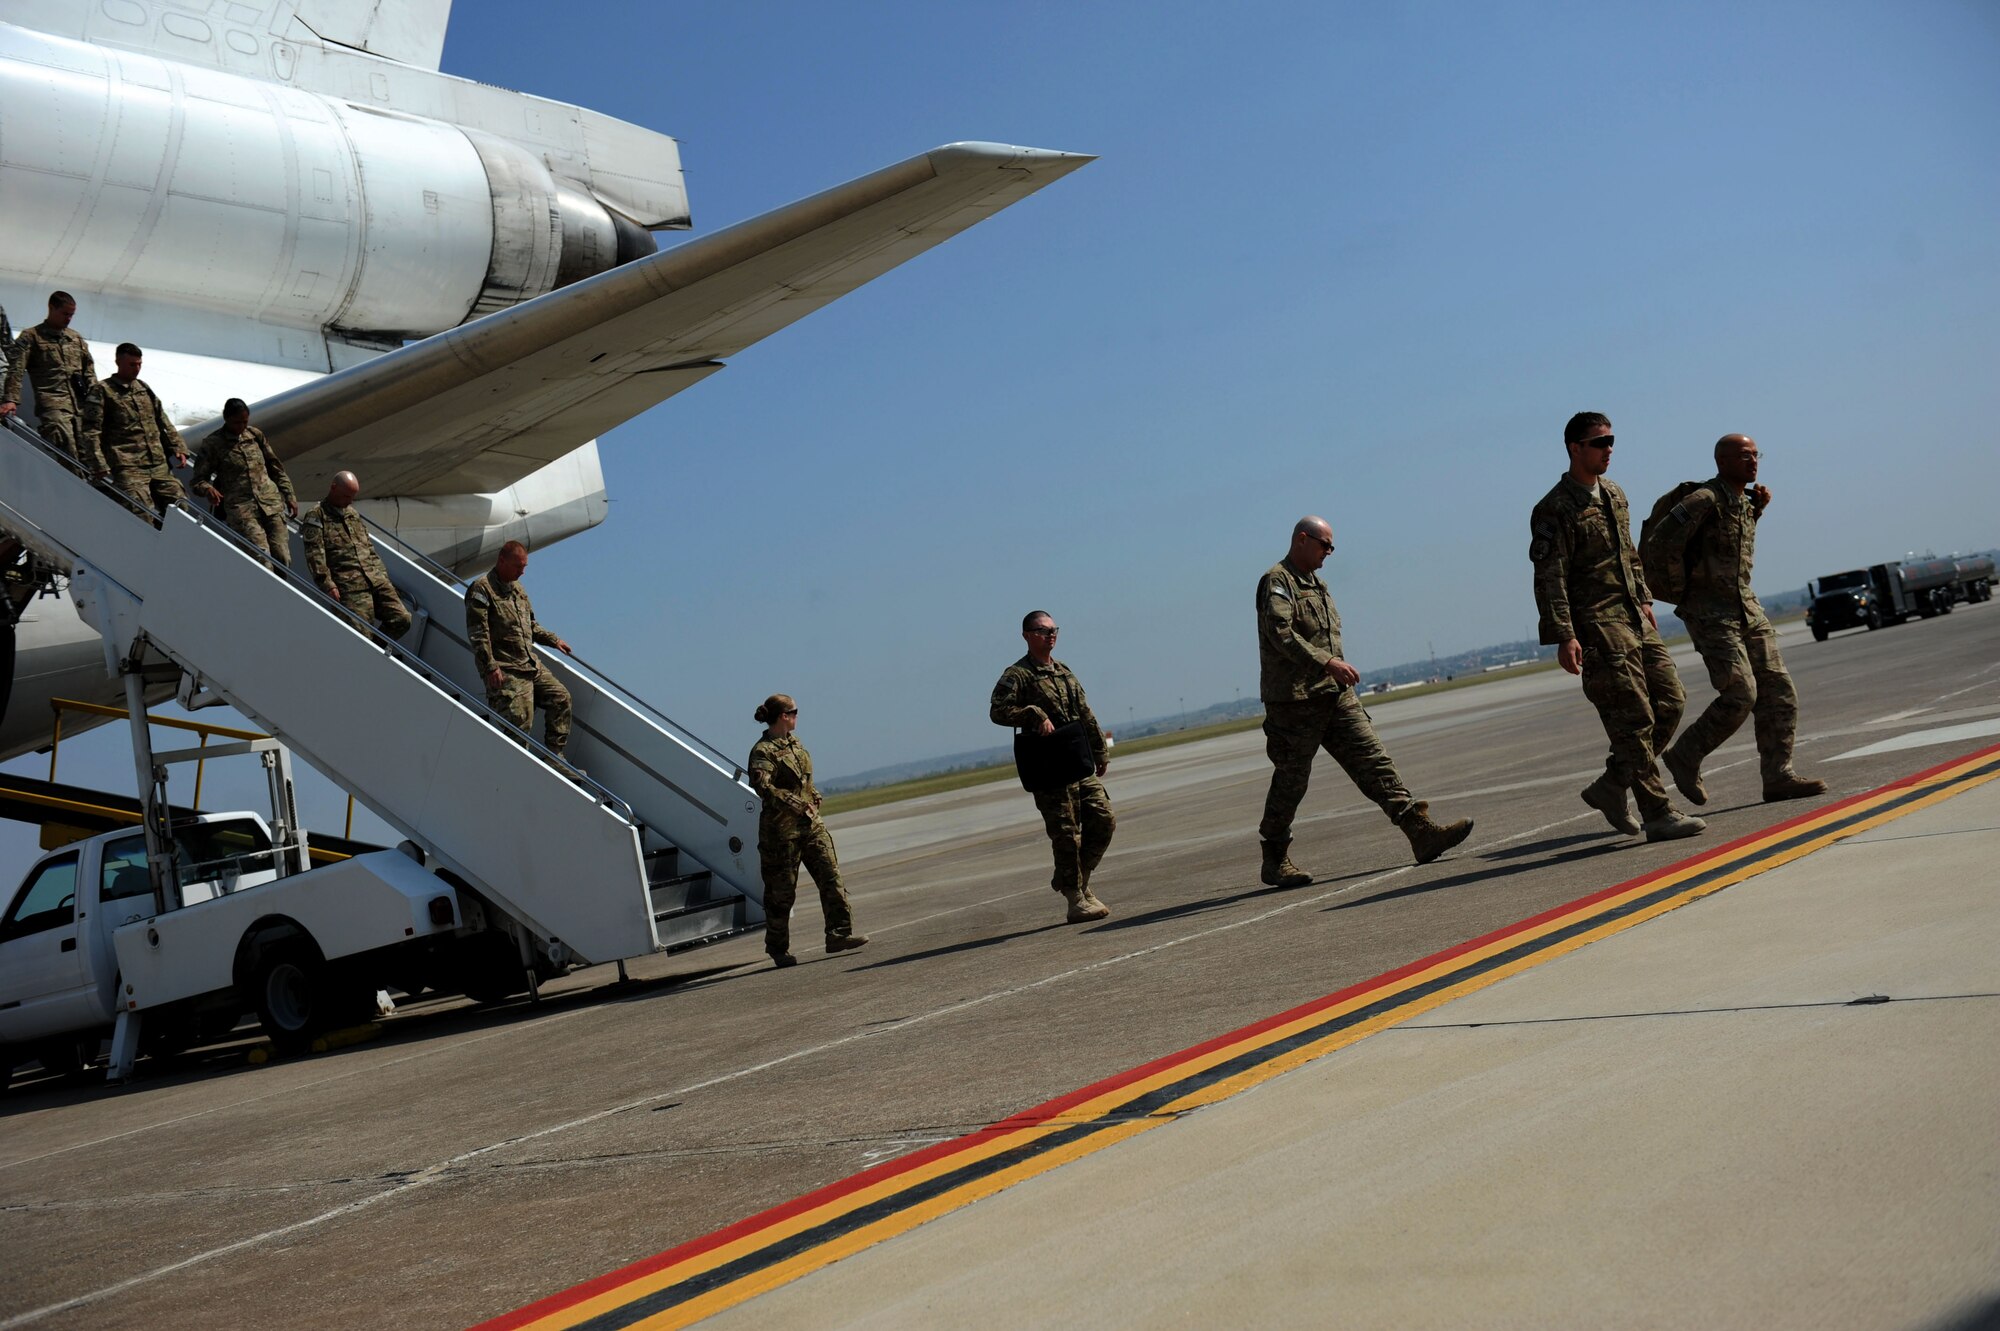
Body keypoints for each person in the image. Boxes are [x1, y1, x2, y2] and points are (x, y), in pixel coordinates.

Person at [1255, 516, 1475, 886]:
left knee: (1375, 760)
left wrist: (1333, 669)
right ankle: (1275, 858)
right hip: (1294, 703)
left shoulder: (1318, 585)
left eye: (1331, 546)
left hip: (1334, 696)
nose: (1330, 553)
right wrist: (1327, 662)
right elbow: (1281, 634)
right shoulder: (1277, 582)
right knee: (1292, 780)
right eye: (1325, 545)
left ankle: (1419, 831)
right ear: (1302, 540)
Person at [1529, 413, 1704, 842]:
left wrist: (1644, 599)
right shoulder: (1554, 508)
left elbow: (1629, 553)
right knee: (1633, 718)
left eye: (1612, 441)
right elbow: (1550, 577)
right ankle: (1657, 812)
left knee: (1672, 700)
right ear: (1575, 448)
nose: (1609, 449)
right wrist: (1565, 634)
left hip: (1633, 616)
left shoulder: (1614, 493)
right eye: (1599, 442)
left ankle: (1611, 786)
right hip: (1596, 624)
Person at [1646, 435, 1827, 804]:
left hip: (1747, 608)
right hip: (1711, 613)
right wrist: (1682, 593)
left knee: (1779, 692)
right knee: (1740, 693)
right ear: (1722, 461)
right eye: (1744, 456)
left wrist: (1757, 512)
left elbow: (1724, 547)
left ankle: (1778, 776)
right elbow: (1658, 545)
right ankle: (1686, 755)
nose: (1753, 462)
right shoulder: (1703, 499)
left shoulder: (1743, 502)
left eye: (1755, 455)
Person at [990, 611, 1115, 922]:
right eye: (1043, 630)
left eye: (1053, 629)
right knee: (1066, 833)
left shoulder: (1063, 671)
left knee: (1103, 818)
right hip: (1048, 764)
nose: (1050, 635)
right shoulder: (1018, 675)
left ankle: (1074, 880)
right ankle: (1076, 899)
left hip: (1075, 758)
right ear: (1027, 635)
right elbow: (997, 711)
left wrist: (1099, 750)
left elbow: (1085, 711)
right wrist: (1031, 713)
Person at [747, 694, 868, 967]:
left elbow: (802, 779)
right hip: (781, 833)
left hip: (811, 825)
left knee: (831, 877)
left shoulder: (795, 743)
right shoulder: (762, 751)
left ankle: (838, 935)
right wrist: (792, 801)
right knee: (781, 893)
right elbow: (763, 787)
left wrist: (812, 794)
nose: (797, 716)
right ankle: (778, 949)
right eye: (794, 711)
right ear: (782, 716)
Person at [465, 540, 575, 763]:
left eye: (524, 567)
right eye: (518, 567)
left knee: (561, 697)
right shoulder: (482, 589)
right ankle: (518, 768)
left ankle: (555, 758)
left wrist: (553, 640)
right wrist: (490, 667)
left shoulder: (518, 590)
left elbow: (530, 625)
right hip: (506, 669)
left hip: (529, 664)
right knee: (520, 724)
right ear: (502, 561)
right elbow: (479, 634)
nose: (522, 572)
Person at [2, 292, 105, 474]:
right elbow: (16, 371)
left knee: (89, 451)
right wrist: (10, 399)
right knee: (66, 446)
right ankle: (76, 485)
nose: (69, 319)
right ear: (52, 308)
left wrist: (97, 401)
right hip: (53, 405)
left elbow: (89, 371)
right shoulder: (32, 337)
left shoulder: (75, 339)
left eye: (72, 315)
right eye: (65, 314)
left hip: (80, 406)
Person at [302, 471, 412, 640]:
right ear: (333, 488)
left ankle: (376, 650)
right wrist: (327, 583)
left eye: (352, 497)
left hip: (375, 580)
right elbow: (314, 553)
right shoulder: (317, 515)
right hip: (350, 587)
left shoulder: (352, 514)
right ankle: (368, 657)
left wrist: (383, 576)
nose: (350, 501)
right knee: (361, 635)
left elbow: (369, 548)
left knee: (402, 619)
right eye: (346, 496)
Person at [191, 398, 298, 568]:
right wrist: (208, 489)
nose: (241, 426)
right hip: (242, 511)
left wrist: (289, 494)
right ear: (226, 418)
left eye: (245, 422)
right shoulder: (213, 444)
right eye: (237, 422)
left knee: (282, 558)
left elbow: (275, 467)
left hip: (270, 504)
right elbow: (197, 480)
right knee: (262, 560)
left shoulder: (255, 435)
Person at [95, 343, 189, 516]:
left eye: (139, 364)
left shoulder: (143, 388)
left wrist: (178, 447)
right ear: (118, 362)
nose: (137, 369)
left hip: (157, 463)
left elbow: (163, 420)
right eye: (132, 365)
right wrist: (98, 462)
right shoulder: (103, 391)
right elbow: (91, 430)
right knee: (139, 510)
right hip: (128, 465)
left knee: (181, 506)